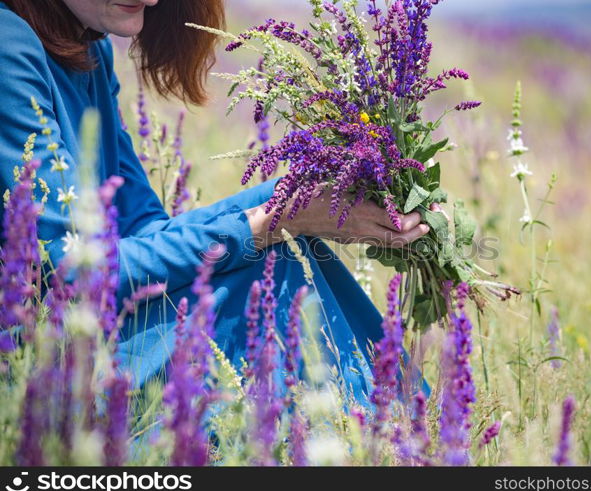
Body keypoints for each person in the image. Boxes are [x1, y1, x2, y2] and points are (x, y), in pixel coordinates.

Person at [0, 0, 432, 404]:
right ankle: (395, 436)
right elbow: (71, 271)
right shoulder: (8, 45)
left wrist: (298, 198)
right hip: (45, 370)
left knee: (286, 249)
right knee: (273, 270)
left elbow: (142, 229)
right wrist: (275, 221)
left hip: (97, 330)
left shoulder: (85, 49)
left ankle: (393, 436)